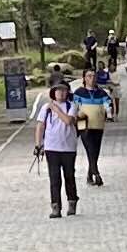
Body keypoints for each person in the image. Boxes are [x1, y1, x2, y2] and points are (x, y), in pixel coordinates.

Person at [34, 76, 83, 218]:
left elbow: (68, 121)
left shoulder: (72, 106)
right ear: (53, 92)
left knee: (69, 176)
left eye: (64, 90)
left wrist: (56, 109)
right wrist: (38, 144)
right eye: (58, 90)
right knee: (54, 178)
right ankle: (55, 206)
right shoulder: (46, 108)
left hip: (68, 148)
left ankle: (72, 201)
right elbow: (40, 126)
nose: (61, 93)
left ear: (68, 92)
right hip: (51, 147)